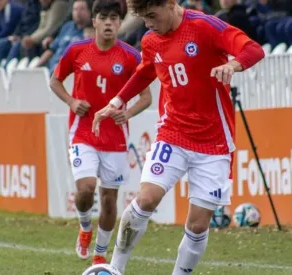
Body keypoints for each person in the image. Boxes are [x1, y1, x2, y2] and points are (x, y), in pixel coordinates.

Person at [92, 0, 265, 273]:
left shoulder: (204, 26)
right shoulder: (151, 40)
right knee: (146, 199)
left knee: (198, 225)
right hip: (173, 134)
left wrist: (233, 65)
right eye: (143, 18)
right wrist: (115, 102)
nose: (148, 24)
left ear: (170, 4)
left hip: (214, 142)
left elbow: (253, 49)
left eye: (152, 15)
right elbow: (145, 72)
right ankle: (114, 268)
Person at [50, 0, 152, 265]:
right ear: (94, 21)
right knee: (86, 189)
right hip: (82, 132)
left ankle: (100, 255)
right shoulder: (76, 50)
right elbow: (55, 80)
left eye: (114, 18)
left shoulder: (131, 56)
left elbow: (146, 97)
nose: (109, 23)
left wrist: (127, 113)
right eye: (103, 18)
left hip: (115, 138)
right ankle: (85, 228)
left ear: (119, 23)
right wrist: (72, 102)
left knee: (109, 199)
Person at [36, 0, 92, 74]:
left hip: (70, 73)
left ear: (89, 12)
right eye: (75, 9)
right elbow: (51, 50)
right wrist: (36, 67)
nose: (78, 13)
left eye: (82, 9)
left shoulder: (92, 32)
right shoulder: (66, 27)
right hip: (52, 69)